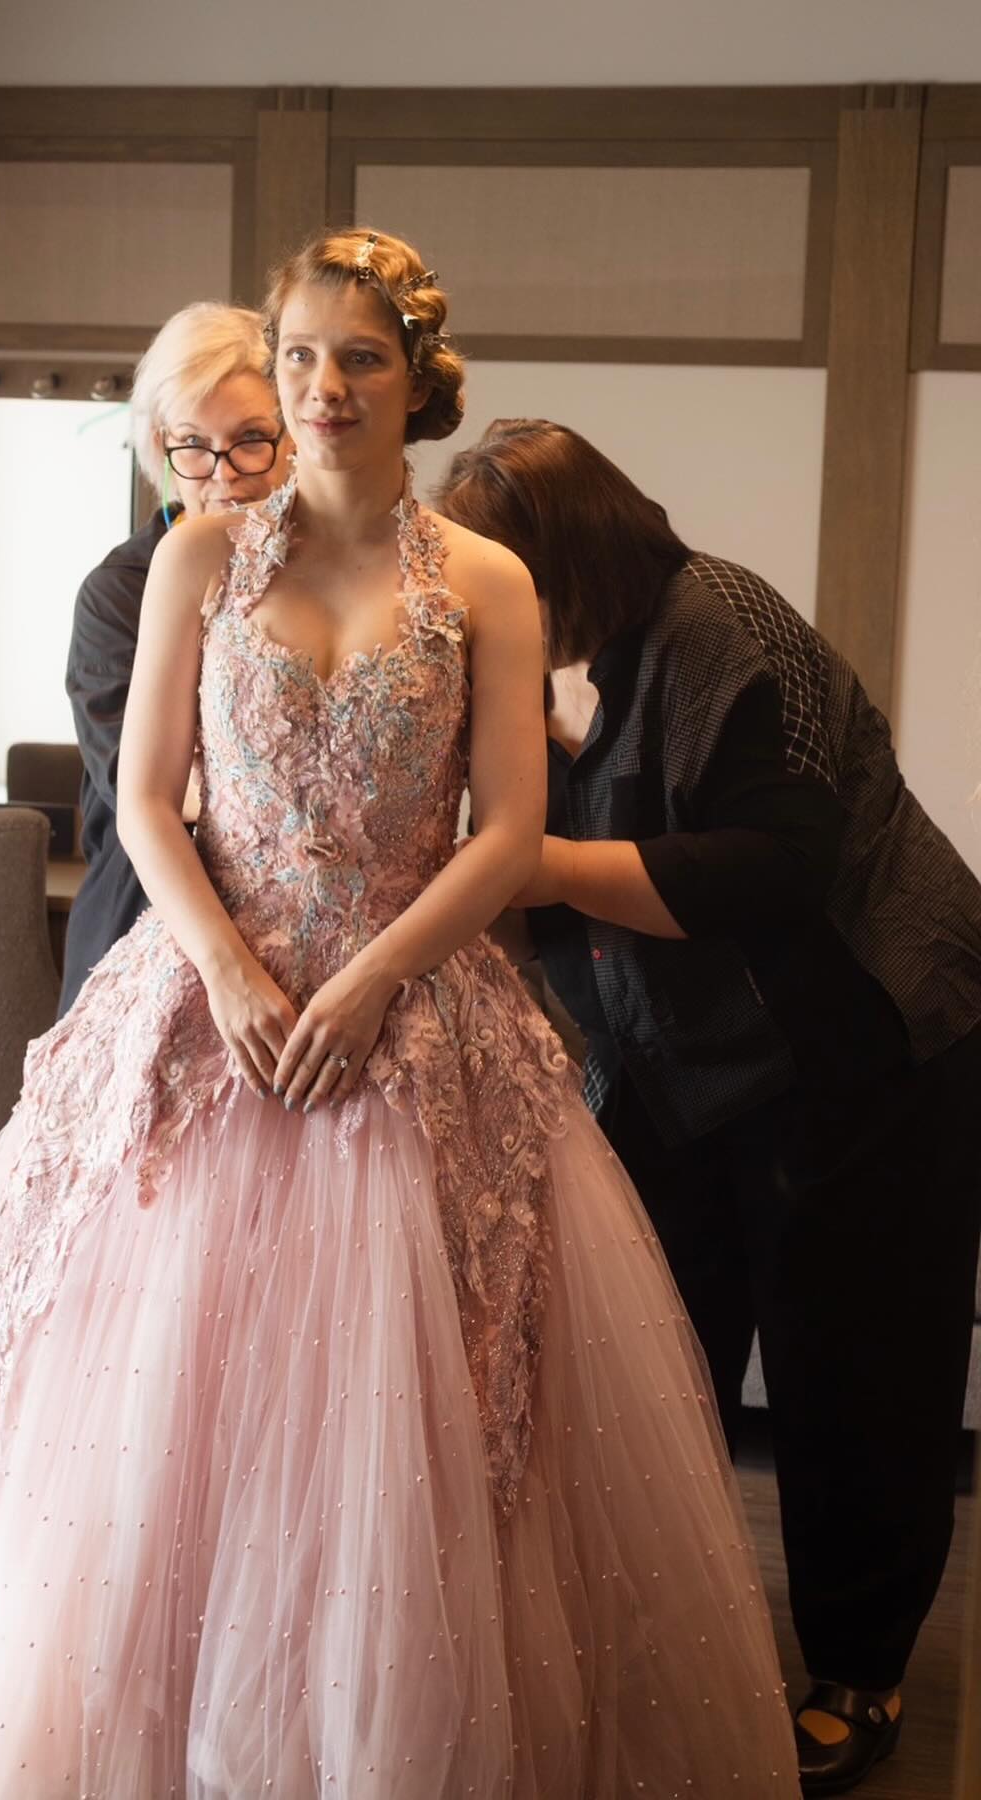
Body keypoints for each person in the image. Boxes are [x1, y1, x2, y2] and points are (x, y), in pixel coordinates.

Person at [0, 232, 800, 1799]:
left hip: (416, 1012)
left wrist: (376, 976)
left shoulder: (487, 581)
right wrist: (228, 973)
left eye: (360, 359)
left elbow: (510, 836)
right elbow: (142, 803)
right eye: (302, 356)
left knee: (427, 1429)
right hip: (214, 1011)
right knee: (146, 1420)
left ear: (418, 381)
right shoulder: (199, 559)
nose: (324, 388)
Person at [437, 418, 981, 1797]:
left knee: (850, 1378)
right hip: (696, 1075)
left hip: (868, 1048)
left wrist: (543, 864)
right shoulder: (594, 667)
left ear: (565, 558)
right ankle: (686, 1641)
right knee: (660, 1356)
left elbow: (774, 868)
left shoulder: (720, 624)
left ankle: (860, 1671)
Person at [60, 302, 290, 1015]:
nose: (225, 475)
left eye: (250, 439)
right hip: (148, 923)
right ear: (160, 448)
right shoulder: (116, 596)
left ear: (295, 437)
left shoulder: (336, 579)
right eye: (192, 444)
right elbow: (162, 790)